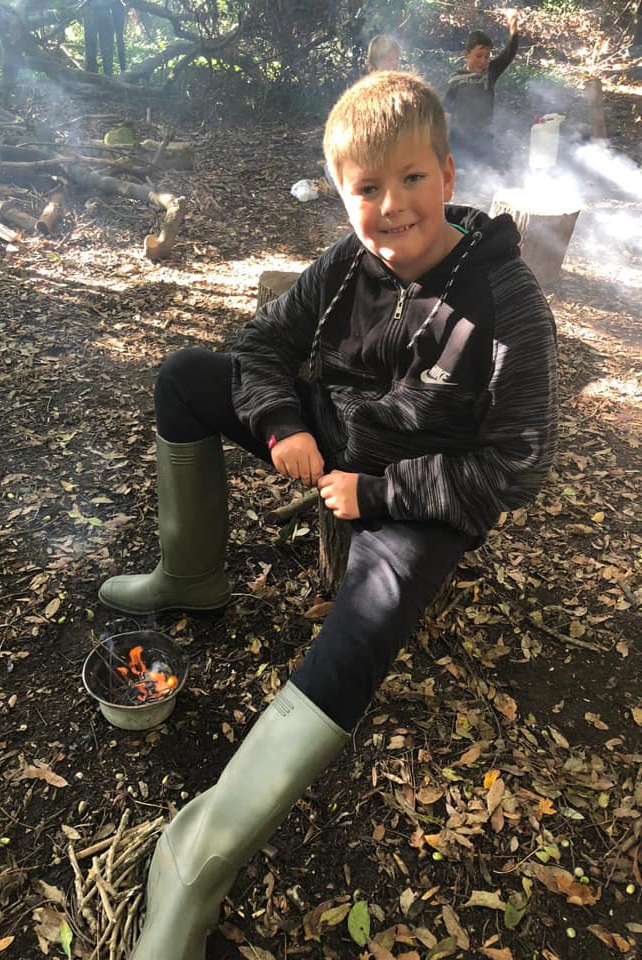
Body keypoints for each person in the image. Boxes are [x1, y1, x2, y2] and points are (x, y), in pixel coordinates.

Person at [98, 70, 558, 960]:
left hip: (424, 492)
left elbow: (517, 465)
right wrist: (279, 424)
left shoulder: (506, 307)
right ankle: (192, 576)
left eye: (411, 179)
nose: (391, 207)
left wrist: (374, 494)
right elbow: (261, 344)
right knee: (184, 378)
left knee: (363, 627)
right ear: (344, 193)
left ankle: (195, 864)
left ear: (449, 175)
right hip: (330, 432)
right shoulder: (347, 260)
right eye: (367, 188)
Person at [443, 9, 519, 170]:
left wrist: (513, 25)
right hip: (459, 140)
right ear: (466, 55)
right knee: (461, 178)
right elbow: (446, 112)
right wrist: (443, 143)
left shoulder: (490, 73)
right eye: (479, 55)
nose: (483, 61)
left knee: (490, 177)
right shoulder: (456, 79)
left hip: (482, 137)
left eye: (487, 56)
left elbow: (509, 53)